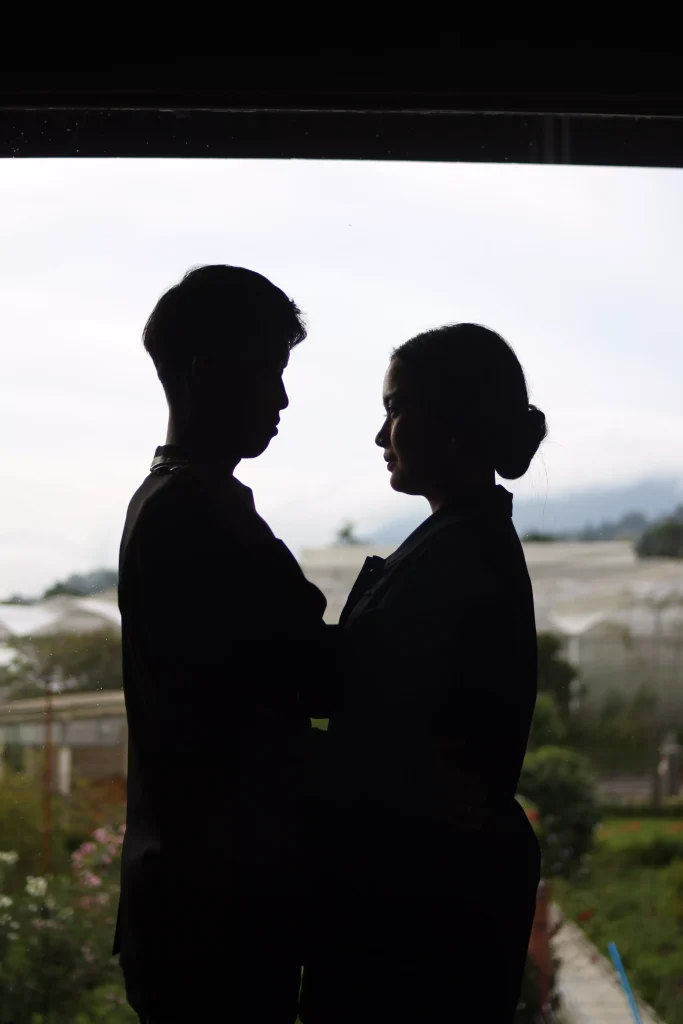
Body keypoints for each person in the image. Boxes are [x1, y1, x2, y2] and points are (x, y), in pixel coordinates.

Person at [300, 323, 544, 1023]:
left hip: (421, 914)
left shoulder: (457, 560)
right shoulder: (454, 544)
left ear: (454, 425)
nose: (382, 436)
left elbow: (372, 722)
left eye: (395, 409)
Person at [114, 266, 336, 1023]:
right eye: (270, 371)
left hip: (192, 910)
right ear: (209, 372)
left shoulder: (172, 500)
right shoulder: (197, 515)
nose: (281, 399)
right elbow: (306, 681)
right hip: (216, 923)